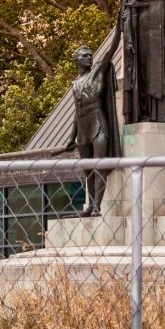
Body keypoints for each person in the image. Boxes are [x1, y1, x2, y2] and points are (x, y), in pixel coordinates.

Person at [67, 15, 122, 214]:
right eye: (85, 56)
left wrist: (119, 26)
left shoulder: (98, 70)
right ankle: (91, 204)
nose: (89, 57)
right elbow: (76, 112)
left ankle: (98, 205)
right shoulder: (75, 84)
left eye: (90, 54)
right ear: (76, 61)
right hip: (83, 127)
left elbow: (112, 49)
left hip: (98, 123)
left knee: (100, 167)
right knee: (88, 171)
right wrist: (71, 137)